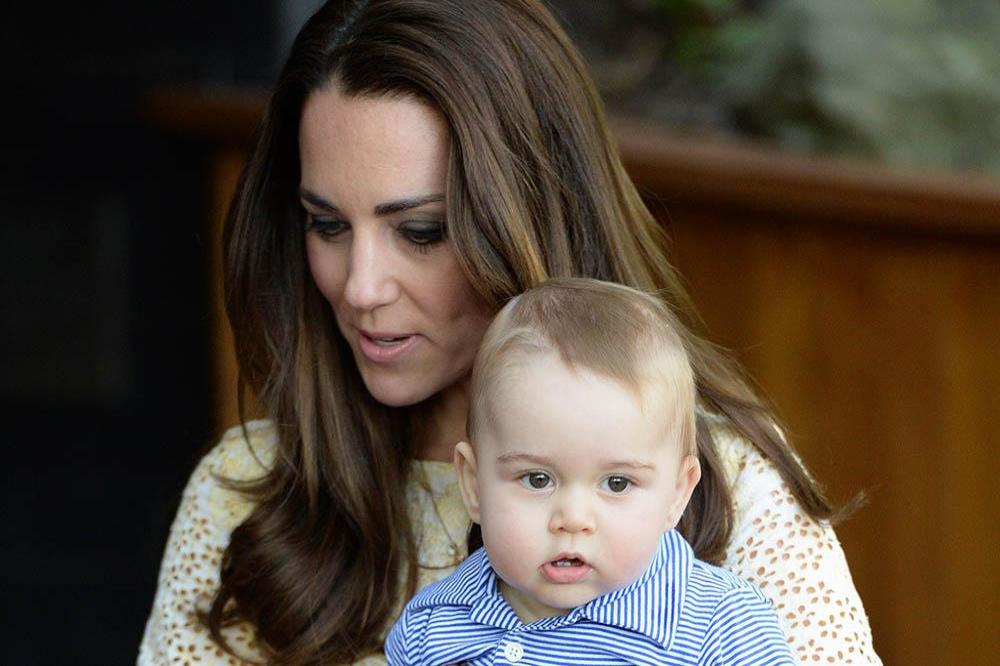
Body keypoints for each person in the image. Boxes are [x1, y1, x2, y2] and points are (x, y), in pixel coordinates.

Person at [139, 1, 880, 664]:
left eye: (421, 231)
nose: (360, 287)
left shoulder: (738, 487)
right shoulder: (250, 494)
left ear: (530, 218)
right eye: (326, 224)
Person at [385, 278, 795, 665]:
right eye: (537, 479)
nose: (573, 520)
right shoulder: (434, 625)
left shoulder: (721, 628)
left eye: (617, 483)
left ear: (676, 494)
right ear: (473, 485)